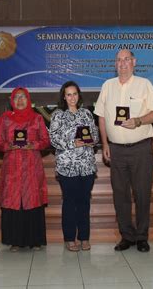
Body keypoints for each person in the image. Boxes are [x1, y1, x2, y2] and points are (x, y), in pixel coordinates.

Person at [94, 49, 153, 252]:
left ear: (134, 62)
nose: (122, 63)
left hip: (141, 148)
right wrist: (105, 144)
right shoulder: (107, 86)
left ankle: (142, 237)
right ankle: (127, 236)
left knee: (142, 194)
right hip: (116, 150)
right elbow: (102, 117)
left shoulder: (144, 84)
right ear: (115, 64)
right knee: (120, 195)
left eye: (126, 59)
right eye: (119, 60)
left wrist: (139, 120)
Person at [0, 87, 50, 251]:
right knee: (14, 202)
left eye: (23, 97)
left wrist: (32, 145)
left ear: (28, 99)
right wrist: (9, 145)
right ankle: (15, 241)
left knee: (32, 199)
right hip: (12, 168)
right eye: (17, 97)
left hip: (32, 167)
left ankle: (35, 240)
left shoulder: (37, 118)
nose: (20, 100)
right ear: (12, 101)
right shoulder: (5, 118)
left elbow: (46, 141)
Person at [49, 81, 99, 252]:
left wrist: (92, 140)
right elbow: (53, 139)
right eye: (68, 94)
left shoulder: (87, 114)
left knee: (84, 202)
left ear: (79, 95)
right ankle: (70, 238)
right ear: (64, 96)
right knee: (69, 203)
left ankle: (84, 238)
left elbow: (95, 135)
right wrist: (73, 143)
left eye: (75, 94)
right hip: (67, 167)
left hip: (86, 166)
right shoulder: (58, 116)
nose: (72, 97)